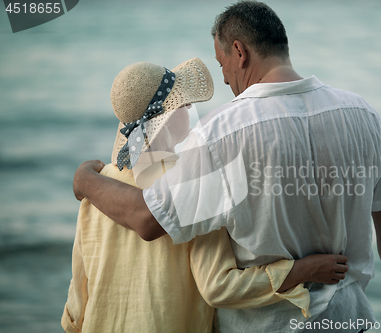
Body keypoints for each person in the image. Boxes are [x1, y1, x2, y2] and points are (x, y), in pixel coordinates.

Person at [72, 2, 381, 332]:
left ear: (239, 52)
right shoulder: (362, 114)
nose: (224, 77)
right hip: (349, 319)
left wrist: (86, 180)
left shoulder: (220, 132)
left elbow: (149, 220)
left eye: (221, 62)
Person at [63, 58, 349, 333]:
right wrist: (301, 270)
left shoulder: (98, 187)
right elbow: (219, 287)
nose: (190, 108)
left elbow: (77, 303)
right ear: (167, 116)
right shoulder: (193, 183)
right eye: (184, 103)